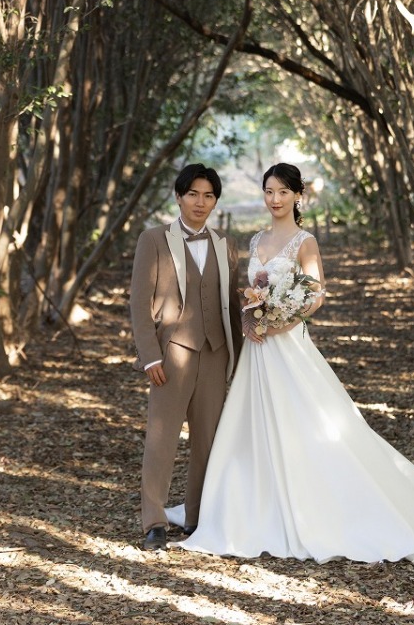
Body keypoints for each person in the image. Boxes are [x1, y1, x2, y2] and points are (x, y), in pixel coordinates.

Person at [180, 162, 414, 563]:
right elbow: (252, 291)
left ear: (297, 196)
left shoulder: (304, 241)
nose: (275, 199)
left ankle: (314, 505)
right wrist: (253, 313)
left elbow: (315, 295)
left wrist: (282, 321)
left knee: (307, 421)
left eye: (283, 192)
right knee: (252, 422)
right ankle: (253, 504)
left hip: (287, 344)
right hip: (258, 347)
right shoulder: (256, 239)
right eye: (269, 191)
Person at [130, 163, 243, 550]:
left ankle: (197, 517)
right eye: (193, 194)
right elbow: (139, 303)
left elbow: (231, 306)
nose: (200, 202)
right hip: (171, 354)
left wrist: (239, 359)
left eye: (208, 195)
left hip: (216, 352)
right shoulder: (153, 240)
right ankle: (154, 522)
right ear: (178, 197)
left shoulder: (225, 243)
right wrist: (150, 356)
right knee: (161, 439)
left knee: (208, 440)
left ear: (215, 201)